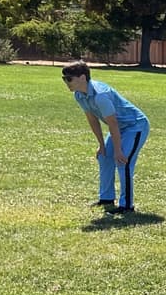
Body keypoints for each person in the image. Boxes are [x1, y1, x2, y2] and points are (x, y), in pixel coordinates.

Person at [61, 60, 150, 214]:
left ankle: (127, 205)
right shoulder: (79, 95)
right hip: (118, 128)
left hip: (135, 126)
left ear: (82, 78)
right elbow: (92, 119)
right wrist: (102, 145)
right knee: (104, 157)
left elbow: (113, 123)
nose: (66, 82)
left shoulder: (100, 95)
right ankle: (107, 198)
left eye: (69, 78)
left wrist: (118, 150)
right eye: (64, 79)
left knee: (122, 161)